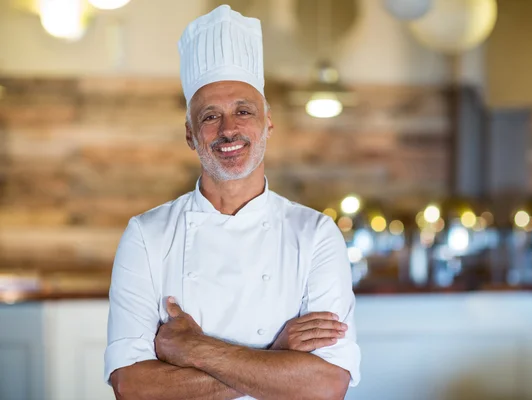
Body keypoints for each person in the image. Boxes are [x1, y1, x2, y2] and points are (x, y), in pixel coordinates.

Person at [104, 5, 360, 400]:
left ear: (267, 124)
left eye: (243, 111)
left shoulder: (315, 234)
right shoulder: (146, 235)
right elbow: (133, 388)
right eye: (210, 116)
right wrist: (276, 358)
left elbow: (326, 387)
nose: (229, 130)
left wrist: (194, 349)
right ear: (190, 134)